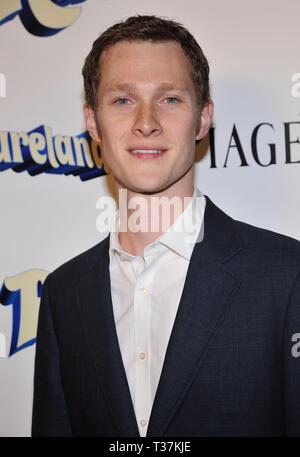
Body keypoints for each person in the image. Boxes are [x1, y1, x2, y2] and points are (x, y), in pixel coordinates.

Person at [32, 15, 300, 437]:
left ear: (203, 118)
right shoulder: (64, 294)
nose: (145, 121)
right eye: (122, 100)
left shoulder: (288, 274)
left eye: (169, 99)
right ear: (91, 121)